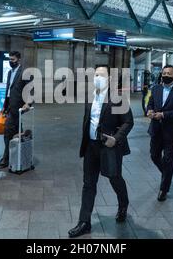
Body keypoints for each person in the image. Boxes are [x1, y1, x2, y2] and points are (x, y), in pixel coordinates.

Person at [68, 65, 133, 238]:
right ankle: (84, 222)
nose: (97, 78)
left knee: (114, 177)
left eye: (101, 75)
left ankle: (123, 204)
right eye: (95, 75)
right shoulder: (90, 96)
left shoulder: (118, 98)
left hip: (109, 146)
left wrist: (116, 138)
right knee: (88, 184)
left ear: (110, 79)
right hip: (91, 146)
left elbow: (128, 122)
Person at [147, 65, 173, 201]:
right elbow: (150, 103)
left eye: (169, 73)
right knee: (154, 155)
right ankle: (167, 174)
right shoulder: (156, 88)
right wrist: (150, 110)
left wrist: (164, 114)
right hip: (156, 128)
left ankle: (164, 188)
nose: (165, 75)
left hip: (171, 131)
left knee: (168, 158)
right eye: (164, 73)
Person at [0, 51, 31, 169]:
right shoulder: (10, 72)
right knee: (15, 133)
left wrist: (28, 103)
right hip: (10, 107)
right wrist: (4, 107)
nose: (11, 62)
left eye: (13, 60)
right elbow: (8, 90)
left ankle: (6, 159)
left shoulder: (24, 73)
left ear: (19, 60)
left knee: (7, 132)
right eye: (10, 59)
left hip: (18, 107)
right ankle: (18, 157)